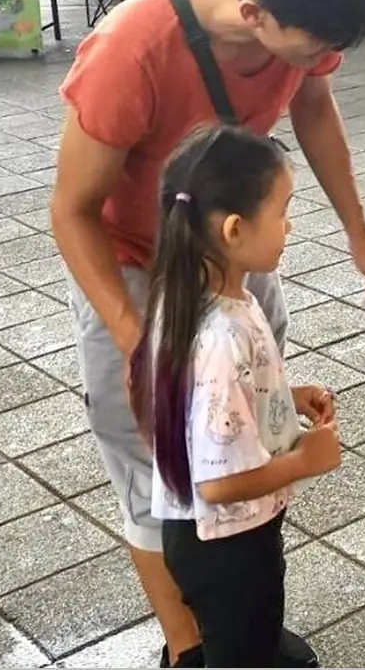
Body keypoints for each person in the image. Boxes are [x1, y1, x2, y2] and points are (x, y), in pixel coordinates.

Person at [50, 0, 365, 669]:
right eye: (307, 47)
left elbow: (314, 104)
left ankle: (236, 613)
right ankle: (191, 648)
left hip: (228, 261)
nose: (315, 62)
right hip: (136, 267)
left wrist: (359, 232)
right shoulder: (131, 50)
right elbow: (72, 210)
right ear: (253, 12)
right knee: (158, 465)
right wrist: (139, 339)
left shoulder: (301, 22)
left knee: (248, 419)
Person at [135, 125, 343, 668]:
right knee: (242, 639)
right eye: (282, 211)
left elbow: (209, 402)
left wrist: (285, 397)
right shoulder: (220, 336)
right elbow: (220, 482)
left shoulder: (203, 296)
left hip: (218, 537)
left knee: (251, 631)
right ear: (233, 229)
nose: (289, 225)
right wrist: (303, 460)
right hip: (226, 543)